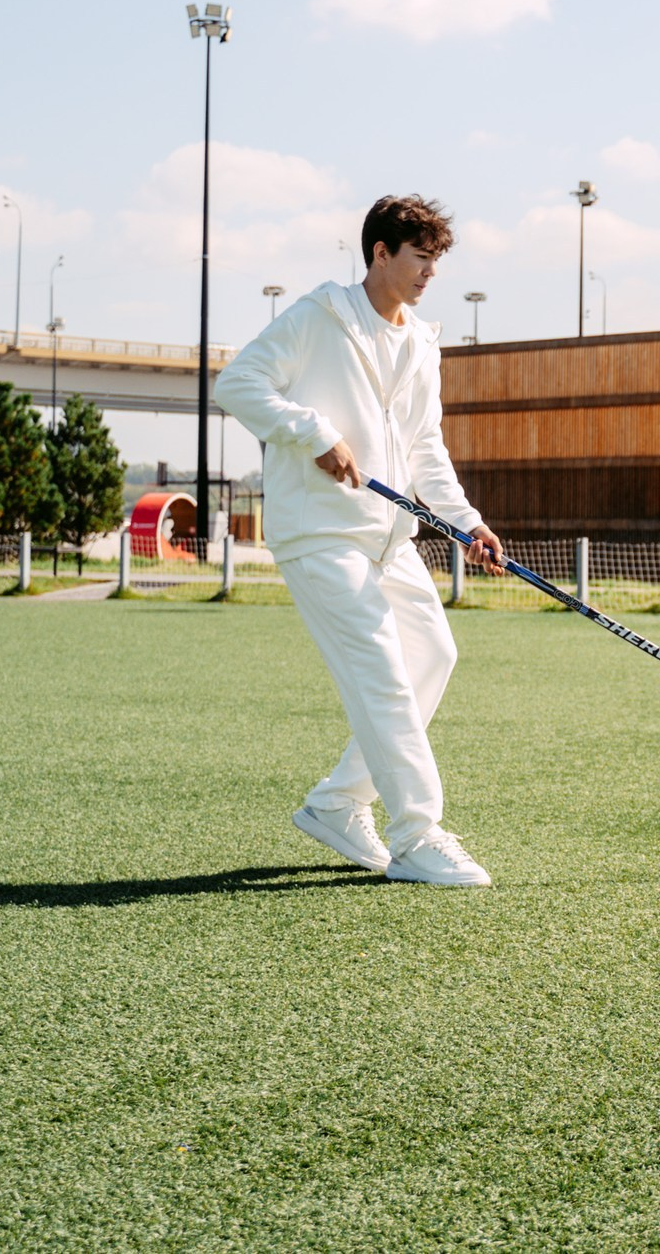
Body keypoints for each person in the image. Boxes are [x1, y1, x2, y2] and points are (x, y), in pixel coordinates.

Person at [216, 195, 508, 888]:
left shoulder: (421, 340)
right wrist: (314, 434)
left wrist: (467, 519)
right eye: (419, 257)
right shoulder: (319, 315)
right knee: (381, 668)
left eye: (437, 260)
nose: (429, 272)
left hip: (390, 537)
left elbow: (424, 447)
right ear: (379, 251)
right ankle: (417, 834)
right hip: (321, 536)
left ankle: (340, 802)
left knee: (434, 654)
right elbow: (238, 383)